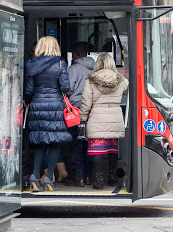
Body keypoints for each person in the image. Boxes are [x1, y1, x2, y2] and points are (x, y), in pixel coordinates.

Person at [24, 36, 72, 192]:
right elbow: (66, 87)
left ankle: (34, 177)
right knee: (54, 143)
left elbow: (29, 90)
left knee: (40, 143)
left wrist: (27, 100)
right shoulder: (60, 63)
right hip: (55, 106)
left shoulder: (32, 65)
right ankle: (49, 179)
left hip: (37, 105)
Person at [80, 53, 129, 189]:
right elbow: (127, 89)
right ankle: (112, 178)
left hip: (97, 118)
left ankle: (99, 180)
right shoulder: (120, 80)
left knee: (97, 150)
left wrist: (82, 118)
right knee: (112, 149)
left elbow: (86, 102)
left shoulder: (91, 80)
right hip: (115, 118)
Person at [64, 42, 95, 187]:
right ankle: (88, 176)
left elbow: (68, 89)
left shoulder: (74, 68)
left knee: (76, 145)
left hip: (76, 110)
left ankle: (79, 177)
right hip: (90, 110)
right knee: (87, 145)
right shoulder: (94, 68)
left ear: (76, 54)